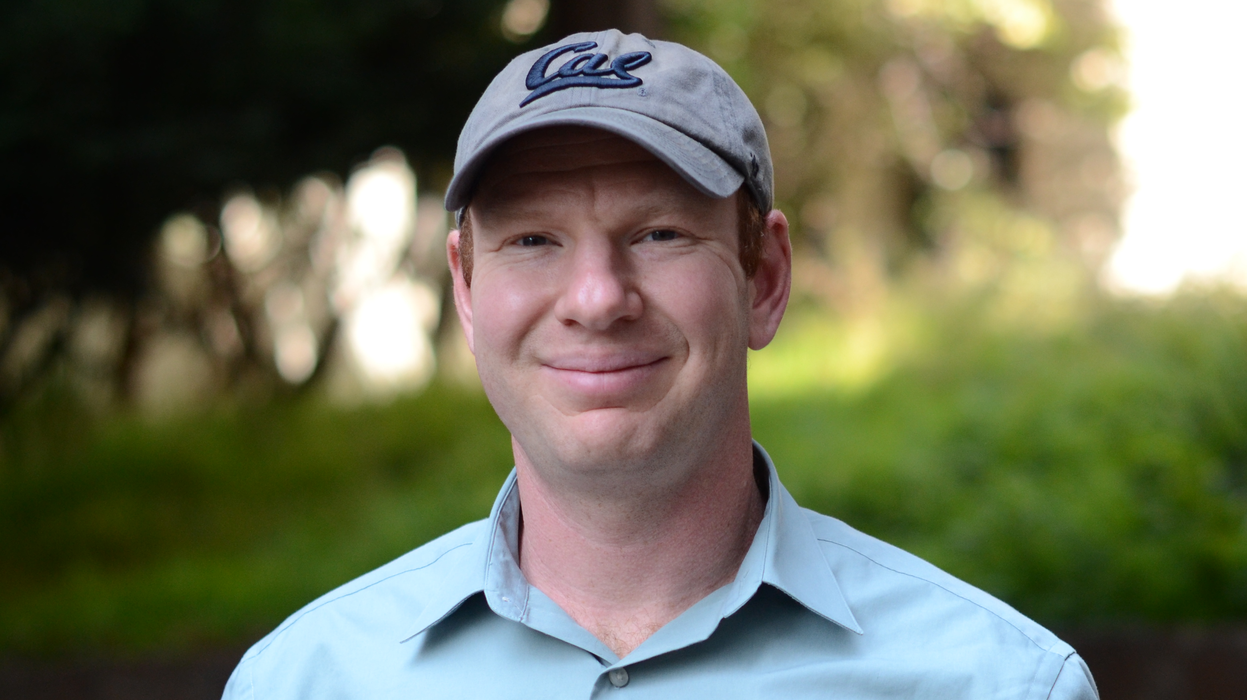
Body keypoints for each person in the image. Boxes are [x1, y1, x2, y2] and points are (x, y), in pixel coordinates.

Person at [222, 30, 1098, 699]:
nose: (597, 299)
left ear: (763, 277)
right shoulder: (304, 681)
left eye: (659, 234)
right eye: (533, 239)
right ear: (464, 285)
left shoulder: (998, 684)